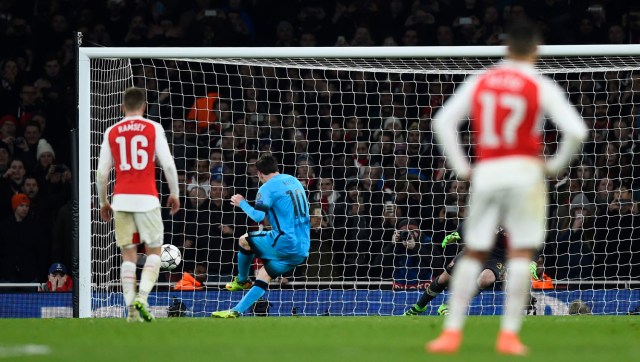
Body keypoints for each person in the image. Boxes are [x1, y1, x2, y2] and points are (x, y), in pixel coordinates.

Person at [428, 21, 587, 355]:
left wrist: (460, 166)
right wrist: (555, 166)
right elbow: (576, 130)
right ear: (534, 51)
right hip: (525, 176)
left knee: (472, 253)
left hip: (487, 174)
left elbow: (442, 121)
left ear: (506, 49)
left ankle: (451, 331)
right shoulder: (537, 83)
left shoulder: (482, 81)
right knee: (519, 257)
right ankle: (509, 335)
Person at [96, 87, 180, 322]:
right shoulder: (153, 128)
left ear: (123, 107)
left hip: (121, 200)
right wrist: (174, 193)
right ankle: (142, 297)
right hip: (148, 199)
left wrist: (103, 202)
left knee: (128, 257)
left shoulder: (112, 131)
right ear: (143, 107)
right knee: (154, 252)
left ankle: (130, 309)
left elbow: (102, 173)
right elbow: (168, 165)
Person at [211, 153, 310, 318]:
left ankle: (242, 280)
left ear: (259, 174)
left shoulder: (266, 188)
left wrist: (241, 202)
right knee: (264, 275)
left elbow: (258, 217)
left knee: (244, 240)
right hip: (302, 248)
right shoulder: (294, 180)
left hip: (285, 241)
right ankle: (235, 311)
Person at [404, 224, 538, 315]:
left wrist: (533, 260)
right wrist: (457, 233)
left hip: (499, 256)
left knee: (487, 279)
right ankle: (418, 307)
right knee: (445, 278)